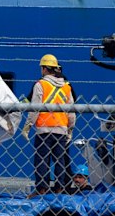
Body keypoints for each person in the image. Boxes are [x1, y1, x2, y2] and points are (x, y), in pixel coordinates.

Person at [22, 54, 76, 197]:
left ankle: (41, 190)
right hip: (61, 130)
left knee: (42, 160)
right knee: (60, 161)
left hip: (44, 130)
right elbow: (71, 111)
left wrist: (27, 126)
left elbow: (35, 108)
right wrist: (70, 129)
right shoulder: (66, 87)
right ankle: (59, 189)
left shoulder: (41, 85)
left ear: (45, 68)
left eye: (42, 67)